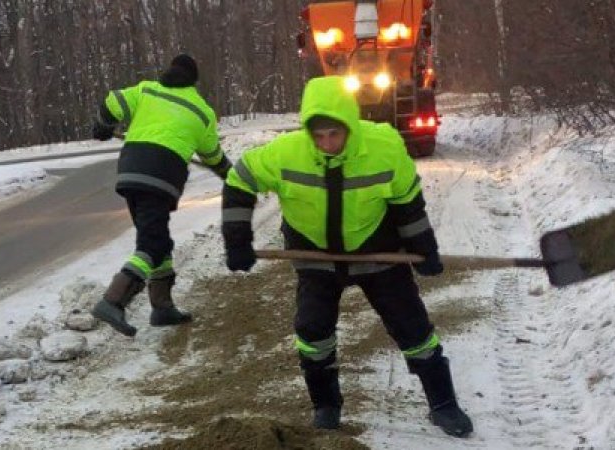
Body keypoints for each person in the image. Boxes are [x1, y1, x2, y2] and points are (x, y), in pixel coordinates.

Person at [220, 75, 473, 437]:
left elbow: (408, 204)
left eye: (334, 134)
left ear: (350, 127)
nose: (327, 144)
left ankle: (444, 404)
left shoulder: (384, 147)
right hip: (314, 253)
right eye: (318, 135)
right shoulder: (286, 152)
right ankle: (326, 405)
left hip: (377, 250)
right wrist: (237, 240)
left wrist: (424, 249)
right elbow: (239, 179)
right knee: (311, 330)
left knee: (412, 326)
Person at [90, 54, 232, 337]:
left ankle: (162, 307)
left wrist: (103, 127)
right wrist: (233, 177)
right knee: (152, 244)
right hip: (162, 176)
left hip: (130, 171)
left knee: (157, 238)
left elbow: (113, 101)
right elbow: (213, 156)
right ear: (194, 81)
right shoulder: (202, 112)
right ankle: (113, 300)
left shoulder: (147, 90)